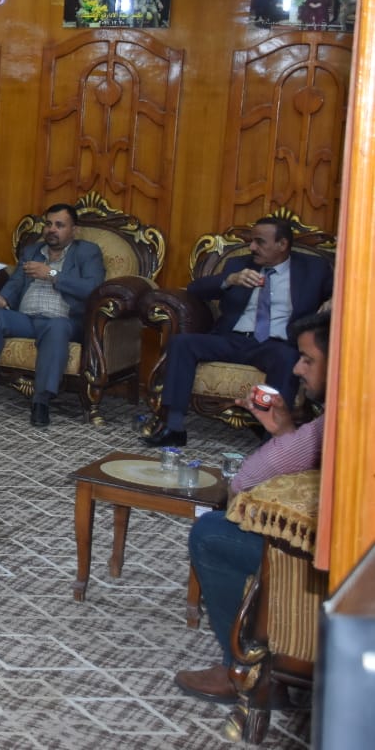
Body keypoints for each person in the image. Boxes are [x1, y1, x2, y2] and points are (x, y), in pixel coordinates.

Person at [175, 311, 330, 703]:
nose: (296, 369)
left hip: (331, 557)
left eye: (307, 360)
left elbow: (243, 483)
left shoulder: (340, 419)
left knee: (213, 532)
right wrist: (285, 431)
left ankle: (244, 672)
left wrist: (287, 439)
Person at [142, 216, 332, 448]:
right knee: (181, 343)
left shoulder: (313, 268)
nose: (252, 247)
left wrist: (333, 300)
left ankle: (271, 441)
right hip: (232, 339)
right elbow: (195, 289)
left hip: (276, 345)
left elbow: (344, 289)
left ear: (282, 244)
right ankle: (174, 427)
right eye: (252, 241)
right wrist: (230, 280)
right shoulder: (239, 264)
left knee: (288, 357)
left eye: (260, 242)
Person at [0, 203, 104, 428]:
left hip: (62, 321)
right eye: (48, 224)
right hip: (26, 319)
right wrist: (4, 300)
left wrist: (52, 274)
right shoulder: (33, 251)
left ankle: (41, 401)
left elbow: (92, 288)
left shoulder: (87, 252)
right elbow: (16, 282)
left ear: (74, 230)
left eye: (59, 225)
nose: (52, 229)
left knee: (56, 327)